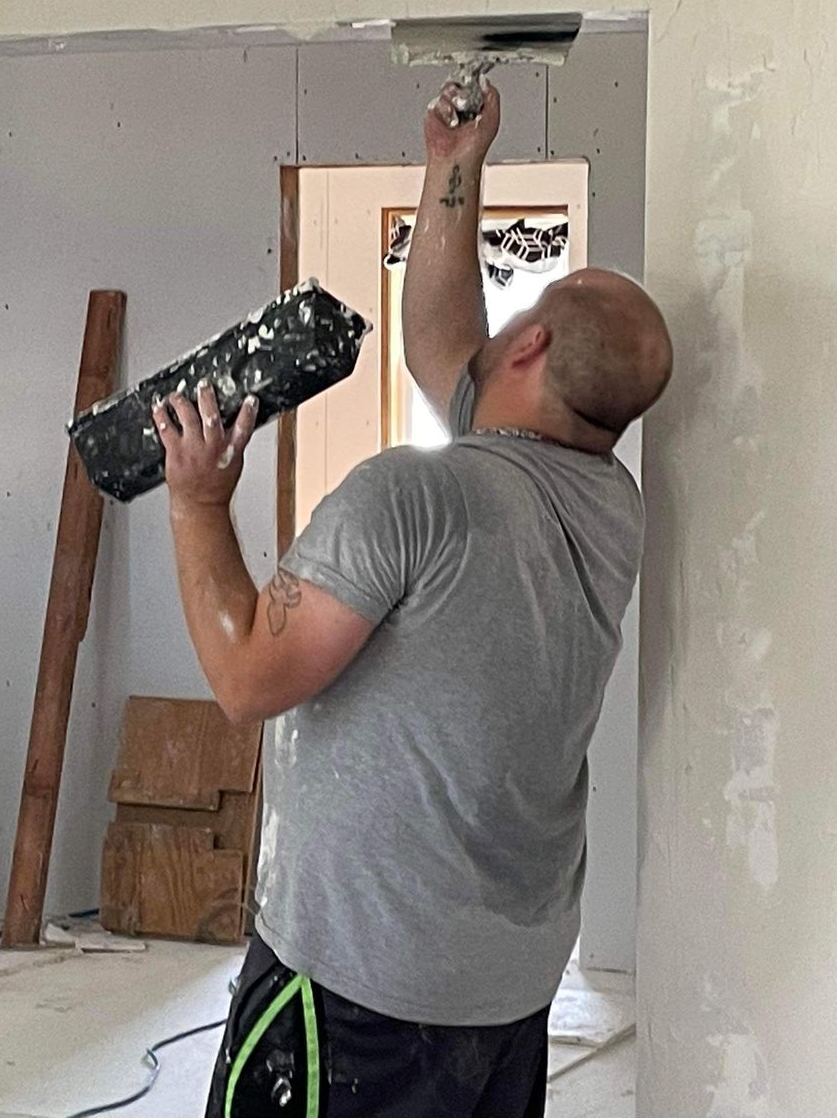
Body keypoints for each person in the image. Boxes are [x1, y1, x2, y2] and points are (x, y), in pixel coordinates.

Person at [154, 80, 673, 1118]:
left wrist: (199, 502)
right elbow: (444, 343)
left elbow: (249, 678)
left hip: (355, 992)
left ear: (526, 349)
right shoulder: (608, 507)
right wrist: (452, 170)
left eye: (520, 314)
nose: (497, 327)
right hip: (504, 993)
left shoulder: (413, 495)